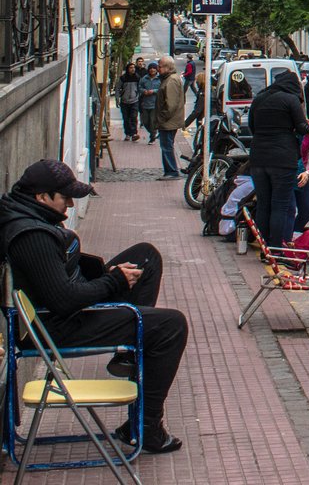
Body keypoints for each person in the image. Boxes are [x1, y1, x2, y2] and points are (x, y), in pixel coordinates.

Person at [0, 160, 189, 454]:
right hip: (57, 326)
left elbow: (59, 280)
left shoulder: (29, 217)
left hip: (61, 311)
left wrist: (104, 275)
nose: (71, 205)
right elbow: (64, 300)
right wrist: (113, 281)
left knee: (146, 257)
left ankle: (127, 353)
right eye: (65, 197)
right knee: (171, 325)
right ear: (42, 197)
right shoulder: (31, 236)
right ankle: (147, 428)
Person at [246, 68, 309, 250]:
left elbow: (252, 126)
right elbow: (301, 127)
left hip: (258, 158)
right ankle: (275, 248)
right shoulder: (291, 100)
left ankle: (262, 246)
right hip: (283, 159)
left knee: (264, 204)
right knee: (280, 205)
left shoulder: (259, 99)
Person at [154, 57, 186, 179]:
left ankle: (172, 171)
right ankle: (170, 171)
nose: (158, 68)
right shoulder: (170, 79)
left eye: (160, 66)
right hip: (169, 121)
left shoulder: (171, 81)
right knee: (166, 145)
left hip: (168, 122)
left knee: (167, 146)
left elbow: (170, 105)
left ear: (168, 67)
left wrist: (161, 119)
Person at [138, 62, 161, 143]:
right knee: (145, 121)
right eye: (150, 68)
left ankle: (152, 136)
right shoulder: (144, 78)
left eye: (154, 68)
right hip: (145, 103)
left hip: (155, 104)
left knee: (152, 121)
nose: (152, 70)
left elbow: (162, 89)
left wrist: (153, 91)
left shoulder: (160, 79)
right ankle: (153, 132)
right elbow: (139, 87)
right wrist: (144, 91)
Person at [117, 63, 141, 141]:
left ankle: (134, 133)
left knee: (134, 117)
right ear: (127, 69)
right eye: (131, 68)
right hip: (124, 101)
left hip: (134, 100)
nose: (132, 69)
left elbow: (140, 88)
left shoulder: (137, 77)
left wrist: (139, 97)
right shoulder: (123, 78)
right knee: (126, 118)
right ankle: (127, 133)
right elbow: (117, 88)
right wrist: (117, 99)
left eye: (133, 67)